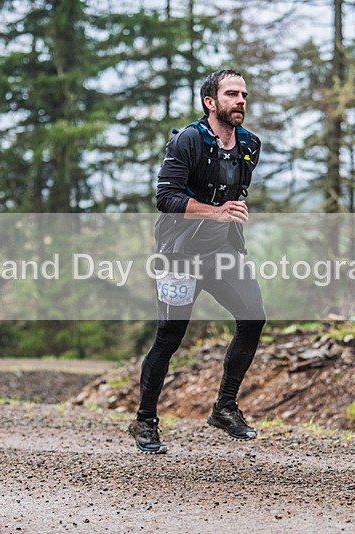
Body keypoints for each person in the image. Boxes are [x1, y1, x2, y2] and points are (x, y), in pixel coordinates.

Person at [128, 69, 266, 454]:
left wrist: (230, 214)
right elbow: (166, 198)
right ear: (210, 102)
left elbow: (233, 194)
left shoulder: (250, 144)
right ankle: (145, 421)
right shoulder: (187, 140)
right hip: (180, 255)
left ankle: (225, 407)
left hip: (222, 252)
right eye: (231, 94)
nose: (240, 100)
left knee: (253, 318)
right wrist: (215, 212)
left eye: (243, 94)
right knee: (170, 337)